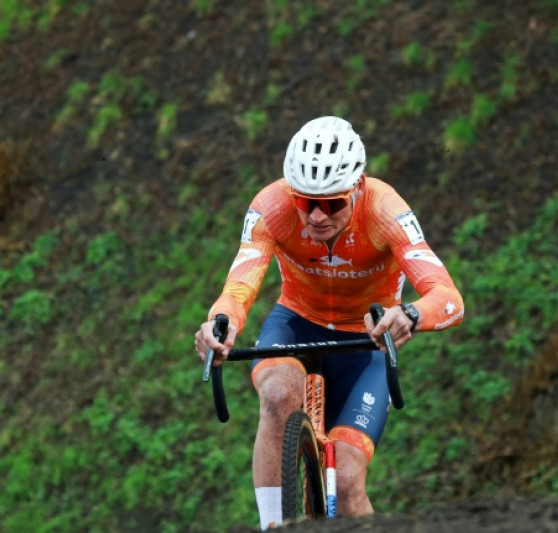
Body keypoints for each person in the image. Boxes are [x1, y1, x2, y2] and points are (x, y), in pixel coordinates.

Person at [194, 116, 464, 530]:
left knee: (350, 482)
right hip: (297, 322)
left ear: (358, 188)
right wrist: (221, 320)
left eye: (333, 204)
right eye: (305, 203)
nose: (317, 216)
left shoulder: (385, 210)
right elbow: (239, 285)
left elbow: (449, 299)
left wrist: (410, 314)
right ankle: (274, 527)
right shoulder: (271, 207)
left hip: (365, 341)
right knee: (278, 393)